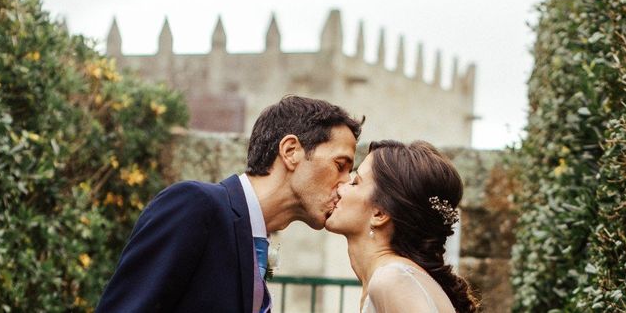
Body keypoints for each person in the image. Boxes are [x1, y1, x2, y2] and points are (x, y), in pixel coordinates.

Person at [96, 95, 363, 312]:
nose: (345, 184)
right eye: (340, 165)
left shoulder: (256, 237)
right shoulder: (195, 205)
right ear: (291, 151)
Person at [325, 140, 480, 313]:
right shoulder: (394, 277)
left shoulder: (391, 279)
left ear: (380, 213)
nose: (341, 187)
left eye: (355, 182)